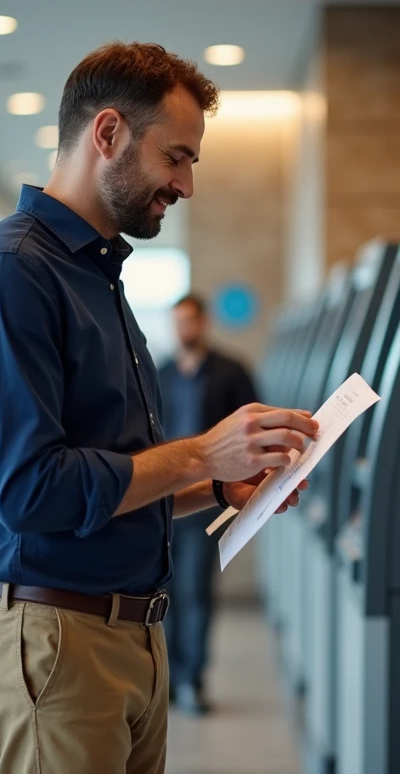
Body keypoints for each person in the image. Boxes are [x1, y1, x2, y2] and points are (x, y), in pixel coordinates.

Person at [0, 41, 315, 774]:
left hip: (127, 633)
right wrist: (204, 452)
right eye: (177, 157)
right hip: (58, 639)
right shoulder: (12, 274)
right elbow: (31, 490)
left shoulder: (94, 277)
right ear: (107, 134)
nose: (187, 184)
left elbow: (108, 486)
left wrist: (218, 488)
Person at [158, 293, 258, 715]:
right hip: (162, 497)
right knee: (162, 590)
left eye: (191, 321)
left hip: (207, 499)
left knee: (196, 589)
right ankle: (166, 677)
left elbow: (252, 426)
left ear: (204, 323)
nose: (185, 329)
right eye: (178, 321)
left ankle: (191, 680)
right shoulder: (158, 373)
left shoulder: (231, 372)